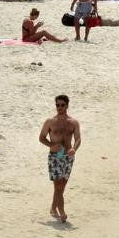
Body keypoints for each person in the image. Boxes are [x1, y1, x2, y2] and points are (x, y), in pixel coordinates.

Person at [39, 95, 81, 223]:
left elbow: (78, 139)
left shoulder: (73, 122)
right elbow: (41, 138)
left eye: (62, 105)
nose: (60, 107)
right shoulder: (50, 121)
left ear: (67, 106)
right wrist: (52, 146)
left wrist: (74, 148)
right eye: (57, 105)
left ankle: (53, 208)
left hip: (68, 156)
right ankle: (62, 212)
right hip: (55, 156)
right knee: (58, 185)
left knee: (62, 186)